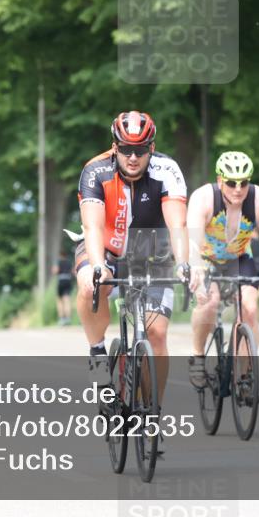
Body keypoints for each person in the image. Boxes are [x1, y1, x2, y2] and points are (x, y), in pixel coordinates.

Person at [74, 111, 189, 398]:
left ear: (151, 147)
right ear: (115, 147)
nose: (133, 157)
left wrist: (185, 264)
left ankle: (153, 412)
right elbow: (92, 225)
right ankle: (97, 351)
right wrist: (98, 266)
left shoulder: (167, 169)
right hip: (105, 247)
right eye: (125, 149)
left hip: (151, 254)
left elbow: (178, 225)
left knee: (158, 333)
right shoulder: (95, 171)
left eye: (139, 150)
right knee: (91, 283)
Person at [187, 151, 259, 388]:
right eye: (231, 183)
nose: (238, 189)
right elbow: (192, 242)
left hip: (240, 257)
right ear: (220, 180)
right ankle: (198, 355)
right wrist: (196, 271)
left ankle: (243, 373)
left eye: (244, 182)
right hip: (206, 258)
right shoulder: (203, 197)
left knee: (250, 309)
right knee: (208, 303)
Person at [53, 250, 73, 325]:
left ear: (60, 255)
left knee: (59, 300)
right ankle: (68, 319)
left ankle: (62, 319)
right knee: (67, 300)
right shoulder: (69, 262)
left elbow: (55, 271)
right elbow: (73, 271)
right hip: (68, 280)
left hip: (61, 280)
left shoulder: (59, 262)